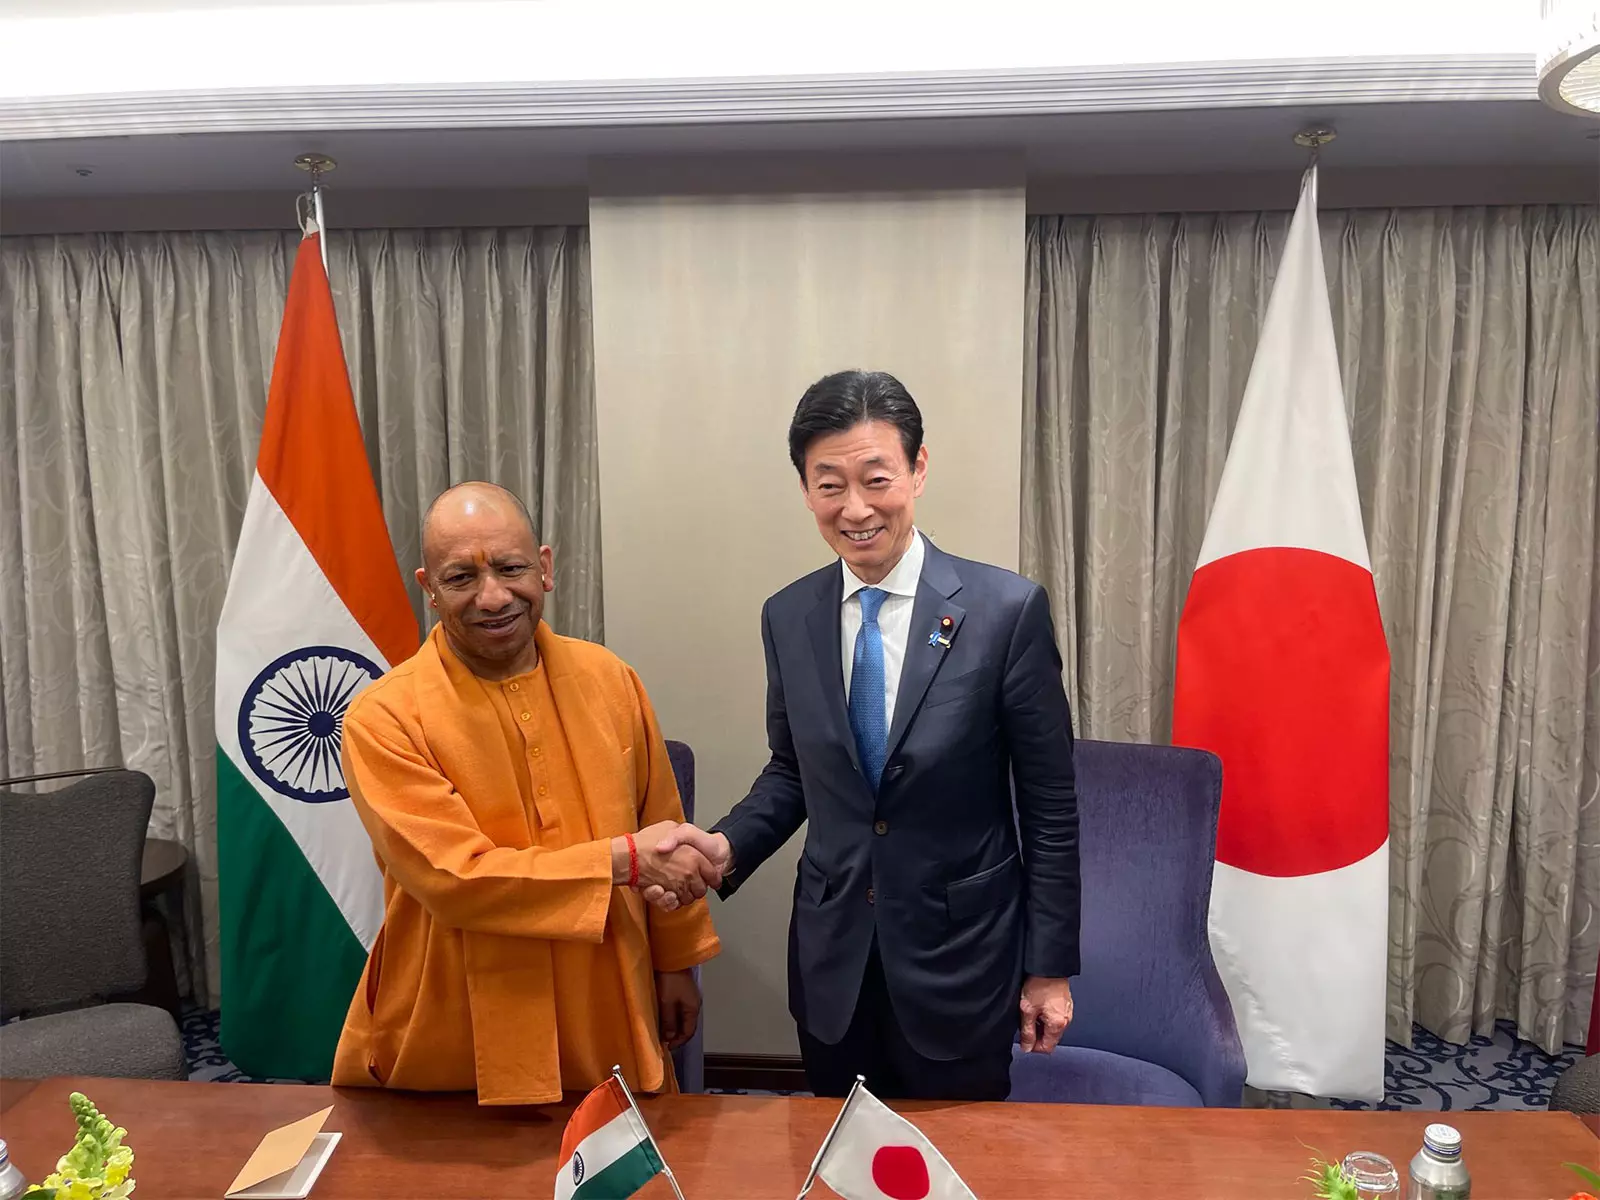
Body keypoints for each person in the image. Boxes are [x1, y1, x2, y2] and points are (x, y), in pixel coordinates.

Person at [648, 369, 1080, 1101]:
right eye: (829, 486)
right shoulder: (789, 615)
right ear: (805, 489)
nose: (855, 509)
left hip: (960, 959)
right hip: (833, 959)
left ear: (917, 469)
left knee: (959, 1155)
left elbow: (1051, 806)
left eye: (876, 480)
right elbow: (793, 771)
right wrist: (725, 848)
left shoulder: (1005, 612)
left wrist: (1049, 967)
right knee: (836, 1148)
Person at [331, 482, 723, 1105]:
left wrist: (675, 964)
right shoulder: (384, 718)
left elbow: (664, 827)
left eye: (511, 568)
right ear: (429, 587)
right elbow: (455, 880)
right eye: (461, 577)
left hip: (605, 994)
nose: (492, 597)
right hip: (458, 1012)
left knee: (616, 1147)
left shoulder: (610, 680)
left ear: (544, 567)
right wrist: (622, 860)